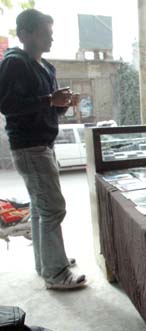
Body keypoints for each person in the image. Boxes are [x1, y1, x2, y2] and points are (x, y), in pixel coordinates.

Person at [0, 9, 86, 290]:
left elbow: (48, 108)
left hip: (44, 143)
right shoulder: (14, 63)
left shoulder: (47, 67)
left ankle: (46, 263)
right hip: (28, 145)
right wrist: (50, 100)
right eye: (44, 33)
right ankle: (56, 273)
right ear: (25, 35)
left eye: (51, 32)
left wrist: (60, 104)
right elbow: (8, 106)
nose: (51, 37)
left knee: (40, 207)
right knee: (53, 207)